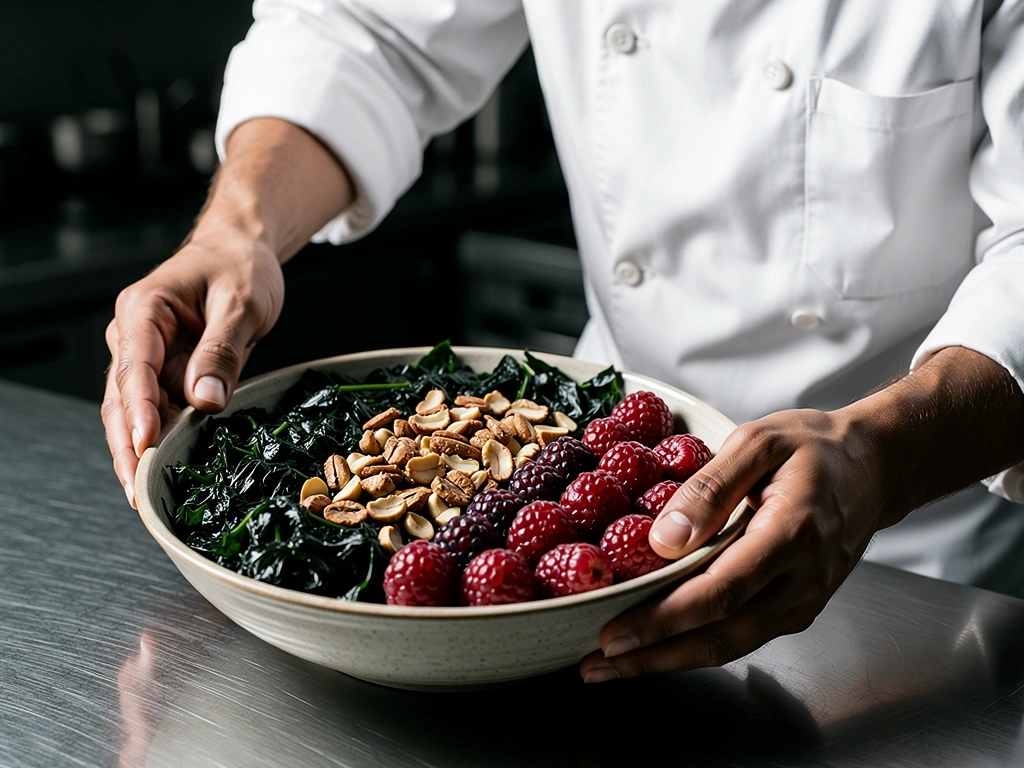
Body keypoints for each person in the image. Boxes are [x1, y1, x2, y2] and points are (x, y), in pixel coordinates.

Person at [102, 2, 1024, 684]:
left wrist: (886, 455)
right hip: (589, 533)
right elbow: (367, 31)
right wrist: (239, 230)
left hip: (915, 567)